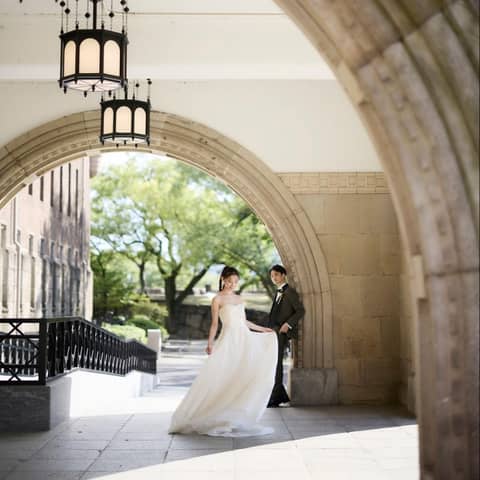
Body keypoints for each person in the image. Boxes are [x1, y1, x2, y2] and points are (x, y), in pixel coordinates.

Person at [169, 266, 278, 437]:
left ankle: (232, 415)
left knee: (240, 375)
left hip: (243, 339)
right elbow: (214, 324)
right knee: (220, 375)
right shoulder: (217, 299)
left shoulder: (239, 298)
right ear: (223, 279)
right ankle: (211, 413)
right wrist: (210, 343)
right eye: (229, 281)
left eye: (235, 281)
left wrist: (262, 329)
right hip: (228, 340)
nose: (232, 284)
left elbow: (244, 322)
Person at [267, 264, 305, 407]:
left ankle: (277, 395)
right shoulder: (278, 292)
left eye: (276, 275)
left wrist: (287, 325)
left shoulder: (289, 292)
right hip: (273, 332)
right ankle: (278, 393)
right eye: (272, 276)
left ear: (283, 275)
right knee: (274, 363)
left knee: (277, 363)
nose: (274, 278)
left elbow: (300, 311)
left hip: (282, 332)